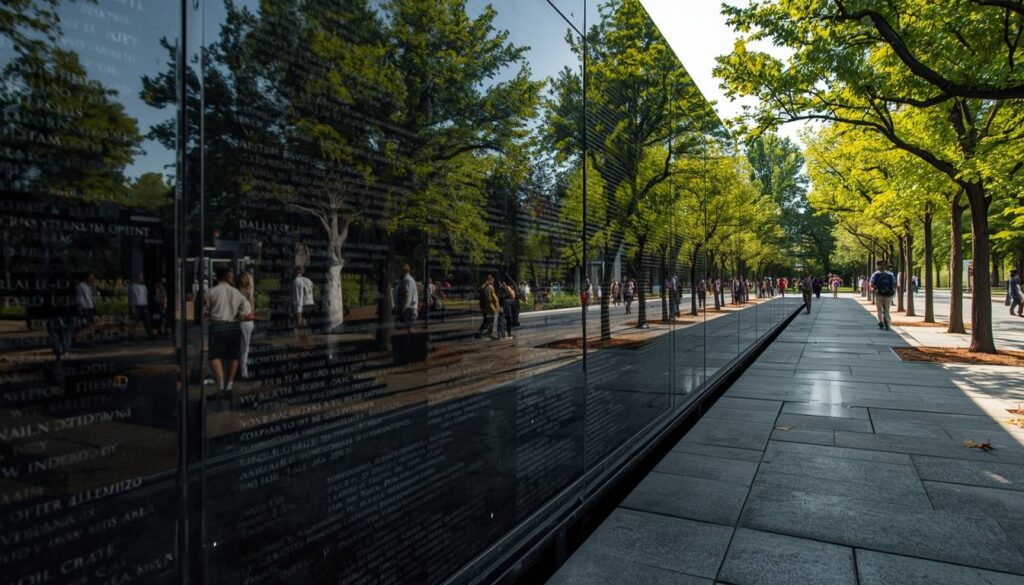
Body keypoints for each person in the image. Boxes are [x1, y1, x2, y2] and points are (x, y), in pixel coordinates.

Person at [205, 265, 250, 396]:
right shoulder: (236, 292)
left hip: (217, 326)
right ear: (227, 276)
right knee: (233, 356)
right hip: (233, 326)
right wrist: (238, 316)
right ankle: (229, 386)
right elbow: (245, 310)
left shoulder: (211, 292)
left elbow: (204, 312)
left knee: (214, 356)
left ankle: (220, 386)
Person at [238, 272, 256, 379]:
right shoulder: (237, 291)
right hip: (241, 321)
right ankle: (242, 369)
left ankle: (243, 369)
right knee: (242, 347)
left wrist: (250, 297)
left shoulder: (248, 292)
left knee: (245, 346)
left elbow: (252, 309)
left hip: (247, 321)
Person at [870, 260, 897, 330]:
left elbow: (871, 283)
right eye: (881, 265)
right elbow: (894, 284)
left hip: (878, 294)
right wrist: (893, 292)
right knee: (886, 310)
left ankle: (881, 322)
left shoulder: (875, 274)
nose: (882, 266)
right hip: (888, 295)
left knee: (879, 309)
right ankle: (887, 323)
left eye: (883, 265)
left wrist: (873, 289)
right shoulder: (890, 274)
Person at [128, 272, 153, 339]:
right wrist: (133, 307)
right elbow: (133, 297)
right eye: (140, 277)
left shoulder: (144, 287)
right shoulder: (134, 286)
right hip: (137, 306)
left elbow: (145, 296)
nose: (142, 279)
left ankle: (150, 334)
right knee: (134, 321)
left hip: (144, 305)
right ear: (137, 278)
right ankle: (130, 334)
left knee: (147, 320)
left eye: (142, 277)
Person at [74, 272, 96, 343]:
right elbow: (79, 297)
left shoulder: (88, 286)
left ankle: (90, 340)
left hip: (90, 306)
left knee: (91, 324)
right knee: (86, 324)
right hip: (85, 307)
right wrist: (79, 307)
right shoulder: (80, 286)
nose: (92, 279)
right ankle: (77, 336)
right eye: (91, 277)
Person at [476, 274, 500, 339]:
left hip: (483, 306)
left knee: (486, 320)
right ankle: (492, 334)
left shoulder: (483, 287)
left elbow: (479, 290)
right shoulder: (490, 287)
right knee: (493, 319)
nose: (493, 281)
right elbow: (495, 298)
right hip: (489, 306)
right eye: (493, 280)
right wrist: (497, 305)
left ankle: (480, 332)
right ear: (490, 280)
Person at [293, 265, 315, 333]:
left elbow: (299, 296)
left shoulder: (297, 281)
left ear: (296, 271)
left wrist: (298, 311)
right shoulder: (308, 280)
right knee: (307, 326)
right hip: (310, 303)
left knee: (301, 327)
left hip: (302, 305)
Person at [396, 264, 417, 331]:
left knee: (408, 329)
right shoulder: (410, 279)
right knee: (408, 329)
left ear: (404, 271)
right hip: (410, 308)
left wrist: (403, 308)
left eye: (400, 271)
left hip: (408, 308)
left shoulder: (406, 280)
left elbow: (407, 294)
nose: (399, 272)